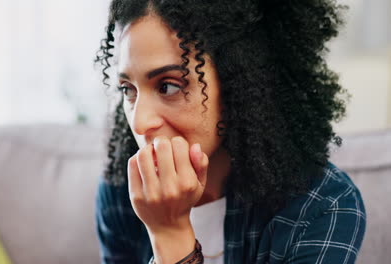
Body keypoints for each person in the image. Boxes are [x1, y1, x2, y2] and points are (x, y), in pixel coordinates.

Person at [94, 1, 366, 263]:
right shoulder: (122, 193)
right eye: (128, 90)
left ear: (237, 82)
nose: (140, 123)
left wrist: (170, 233)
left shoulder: (322, 206)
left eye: (168, 86)